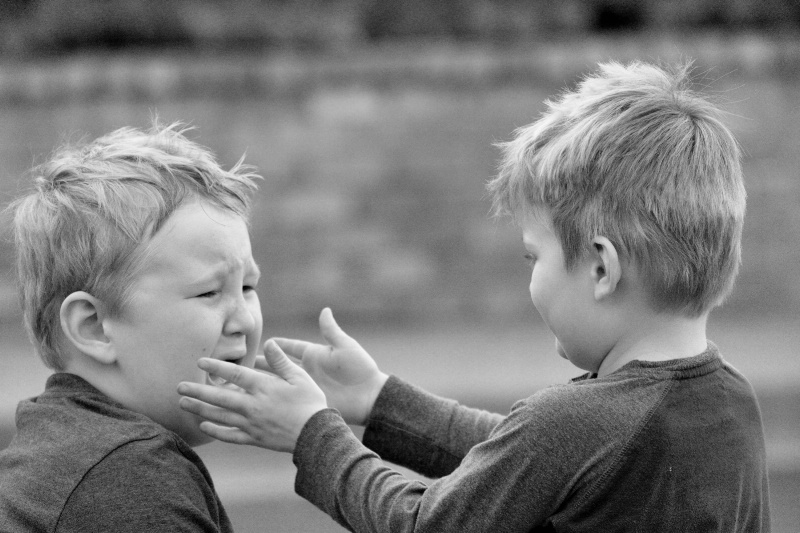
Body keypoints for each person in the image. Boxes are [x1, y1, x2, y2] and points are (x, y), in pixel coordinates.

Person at [177, 61, 770, 532]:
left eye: (533, 257)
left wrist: (313, 433)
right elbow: (525, 464)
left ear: (600, 268)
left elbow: (428, 521)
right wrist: (380, 402)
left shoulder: (577, 422)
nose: (530, 279)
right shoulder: (730, 404)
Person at [0, 122, 263, 532]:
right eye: (209, 293)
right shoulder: (131, 479)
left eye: (247, 286)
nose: (245, 319)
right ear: (94, 327)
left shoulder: (61, 449)